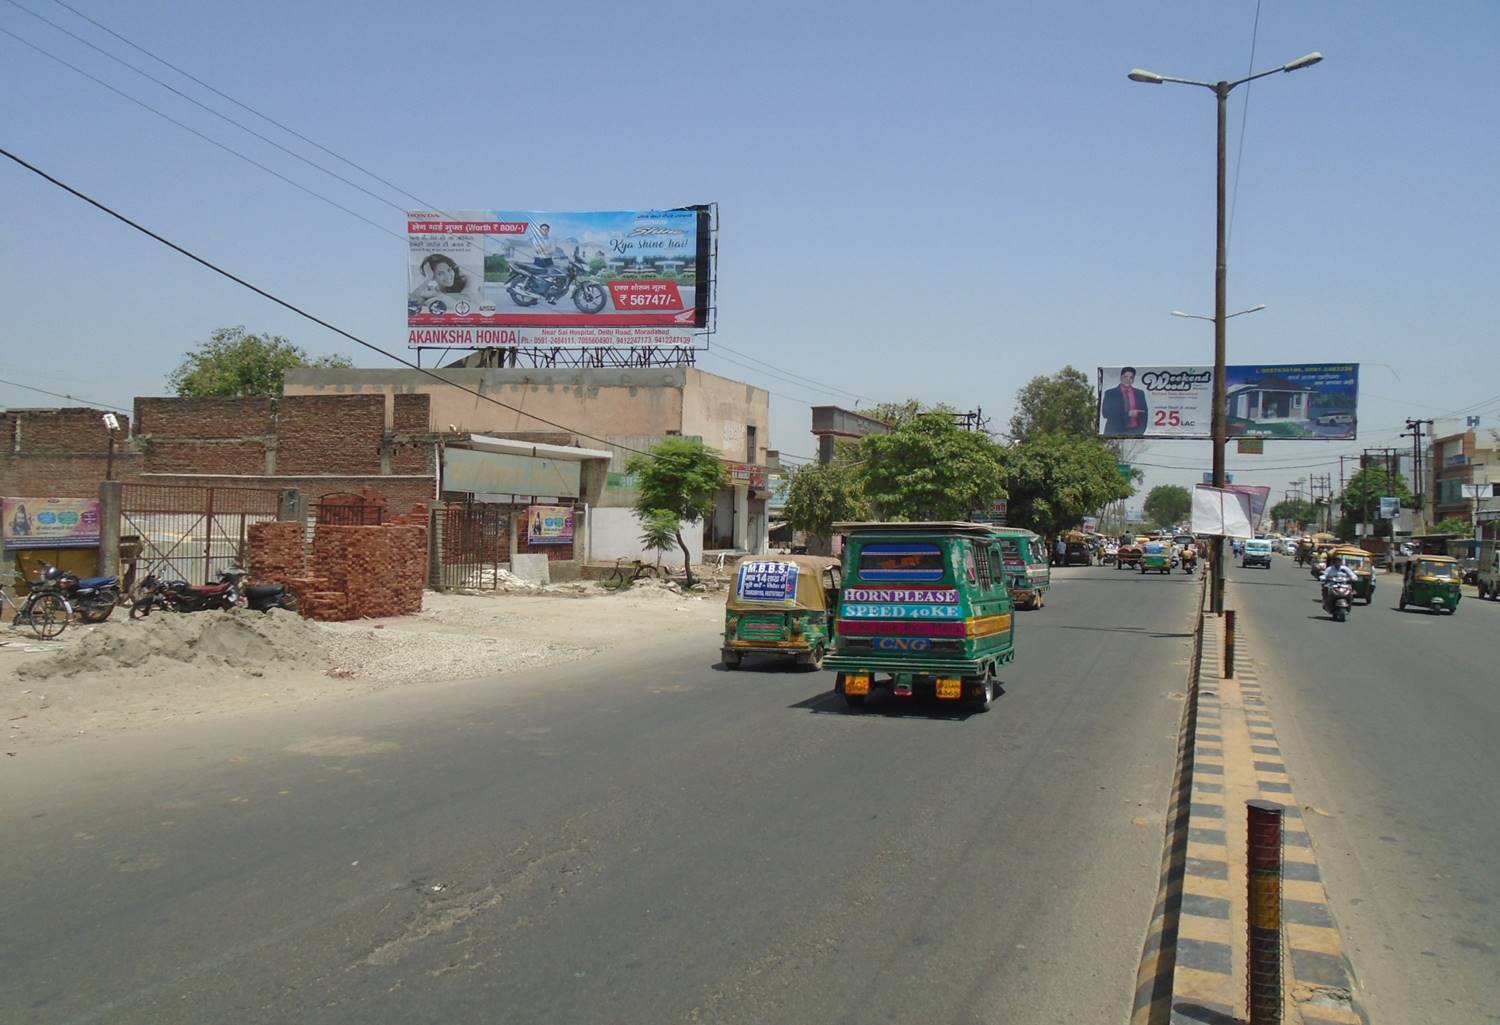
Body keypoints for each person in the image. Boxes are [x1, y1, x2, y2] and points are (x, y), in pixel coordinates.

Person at [409, 253, 481, 310]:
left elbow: (466, 299)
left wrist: (437, 295)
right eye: (440, 273)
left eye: (449, 270)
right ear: (433, 277)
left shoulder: (468, 279)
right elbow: (411, 302)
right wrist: (428, 278)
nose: (448, 276)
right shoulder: (434, 289)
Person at [1100, 367, 1150, 436]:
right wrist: (1128, 414)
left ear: (1133, 379)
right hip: (1114, 432)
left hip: (1134, 432)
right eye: (1125, 377)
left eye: (1131, 377)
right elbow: (1105, 413)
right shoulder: (1110, 393)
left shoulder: (1140, 393)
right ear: (1121, 377)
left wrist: (1140, 431)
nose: (1128, 380)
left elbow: (1144, 413)